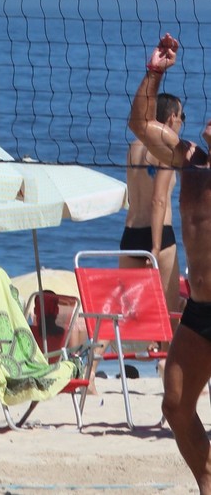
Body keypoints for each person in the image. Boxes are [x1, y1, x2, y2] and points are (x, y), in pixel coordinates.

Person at [128, 33, 211, 494]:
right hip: (199, 311)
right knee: (176, 406)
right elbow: (140, 123)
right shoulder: (191, 161)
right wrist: (155, 72)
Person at [121, 92, 183, 321]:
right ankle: (165, 357)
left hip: (130, 235)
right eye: (181, 117)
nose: (181, 123)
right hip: (160, 237)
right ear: (171, 118)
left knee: (121, 313)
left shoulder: (133, 147)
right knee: (169, 317)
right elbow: (158, 200)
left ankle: (92, 357)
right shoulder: (165, 150)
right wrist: (155, 248)